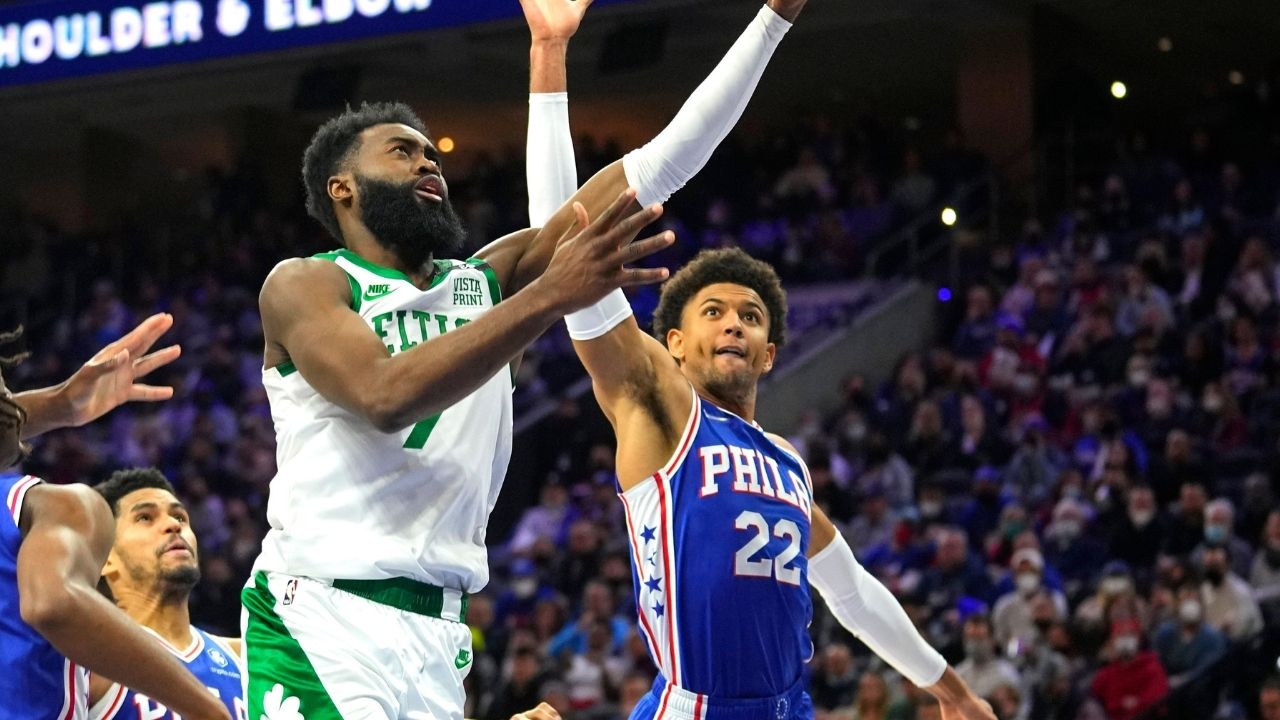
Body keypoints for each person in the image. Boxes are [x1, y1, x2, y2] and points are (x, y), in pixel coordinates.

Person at [242, 0, 807, 716]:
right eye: (403, 151)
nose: (428, 163)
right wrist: (547, 297)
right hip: (319, 610)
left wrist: (773, 20)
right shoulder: (308, 283)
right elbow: (384, 396)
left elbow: (657, 166)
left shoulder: (484, 282)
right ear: (343, 188)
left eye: (432, 153)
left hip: (438, 626)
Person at [563, 244, 995, 718]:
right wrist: (575, 227)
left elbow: (852, 590)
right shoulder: (664, 414)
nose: (733, 323)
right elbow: (581, 281)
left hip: (788, 708)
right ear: (676, 344)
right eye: (713, 311)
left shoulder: (787, 462)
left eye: (750, 316)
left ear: (768, 355)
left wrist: (953, 691)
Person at [0, 316, 231, 720]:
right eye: (6, 389)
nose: (16, 405)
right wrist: (209, 711)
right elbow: (52, 605)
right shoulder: (54, 505)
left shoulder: (238, 655)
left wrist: (59, 403)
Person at [85, 468, 243, 719]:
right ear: (105, 557)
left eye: (180, 517)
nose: (172, 525)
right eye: (145, 518)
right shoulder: (88, 663)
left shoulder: (242, 658)